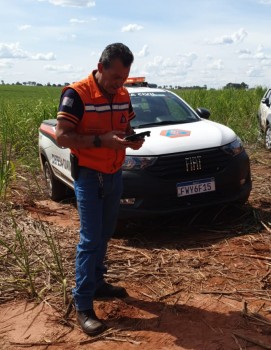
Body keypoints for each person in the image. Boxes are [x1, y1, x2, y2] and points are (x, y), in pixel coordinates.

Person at [55, 43, 144, 336]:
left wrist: (133, 141)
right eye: (115, 76)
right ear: (101, 66)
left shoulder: (122, 94)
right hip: (90, 175)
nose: (119, 83)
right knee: (91, 238)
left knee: (106, 233)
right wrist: (100, 141)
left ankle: (97, 282)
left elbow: (126, 126)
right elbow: (63, 137)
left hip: (114, 173)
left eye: (124, 78)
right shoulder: (77, 94)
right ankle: (82, 303)